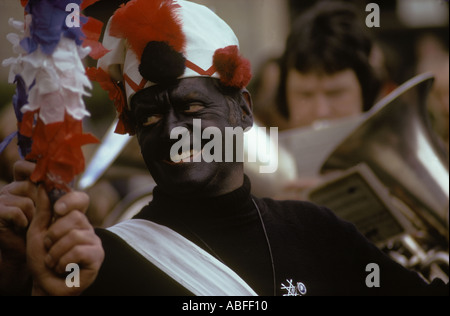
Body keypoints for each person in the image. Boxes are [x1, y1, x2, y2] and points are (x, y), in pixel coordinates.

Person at [0, 0, 448, 296]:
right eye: (151, 116)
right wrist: (17, 277)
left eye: (193, 105)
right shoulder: (95, 260)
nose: (174, 130)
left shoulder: (318, 231)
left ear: (243, 112)